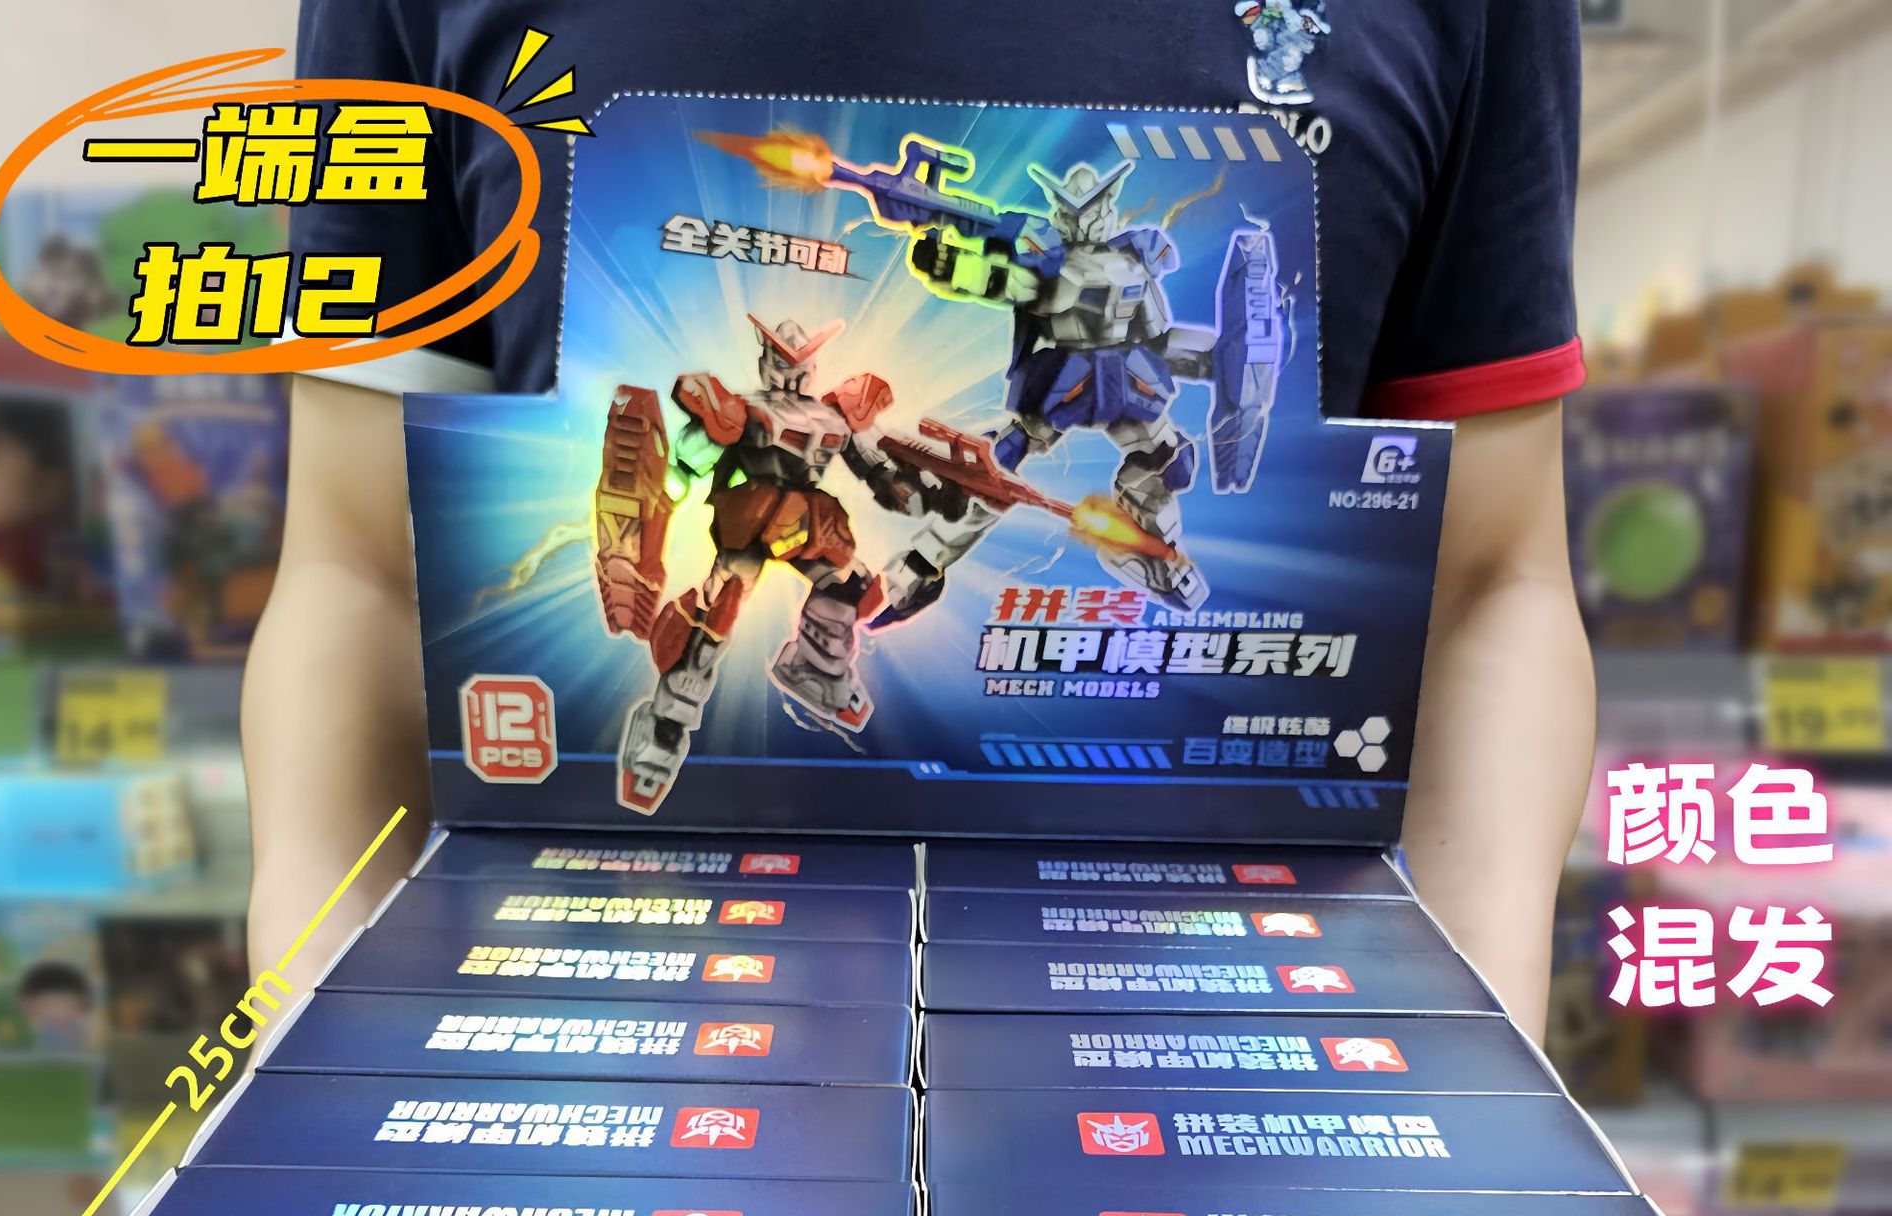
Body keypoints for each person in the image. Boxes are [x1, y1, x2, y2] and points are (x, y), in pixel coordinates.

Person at [248, 0, 1593, 1042]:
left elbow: (1488, 590)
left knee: (989, 513)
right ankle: (730, 684)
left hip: (1211, 1016)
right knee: (818, 572)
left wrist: (1475, 1102)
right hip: (631, 1000)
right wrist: (315, 1072)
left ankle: (862, 627)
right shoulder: (816, 379)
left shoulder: (1145, 263)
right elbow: (364, 573)